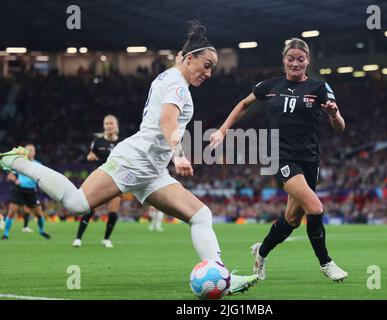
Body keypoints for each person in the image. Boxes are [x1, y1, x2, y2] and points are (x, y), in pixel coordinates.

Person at [0, 20, 257, 294]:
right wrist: (179, 155)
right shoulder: (178, 86)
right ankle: (19, 162)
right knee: (77, 204)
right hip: (134, 161)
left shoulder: (170, 77)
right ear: (189, 58)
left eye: (213, 68)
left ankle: (222, 278)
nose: (209, 72)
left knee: (201, 215)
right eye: (207, 65)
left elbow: (167, 118)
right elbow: (167, 120)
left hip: (154, 171)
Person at [210, 38, 348, 282]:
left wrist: (334, 115)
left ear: (308, 61)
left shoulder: (320, 88)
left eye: (300, 59)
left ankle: (260, 253)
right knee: (315, 208)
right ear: (283, 60)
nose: (295, 63)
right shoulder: (270, 85)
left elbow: (340, 127)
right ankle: (326, 263)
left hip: (309, 160)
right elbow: (243, 104)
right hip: (279, 156)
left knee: (292, 220)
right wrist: (222, 130)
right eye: (291, 58)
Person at [73, 115, 122, 248]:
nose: (109, 126)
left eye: (111, 123)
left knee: (113, 211)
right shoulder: (97, 141)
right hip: (100, 179)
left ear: (116, 125)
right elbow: (90, 154)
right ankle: (78, 238)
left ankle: (106, 239)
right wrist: (90, 156)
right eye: (106, 123)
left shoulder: (122, 143)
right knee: (89, 208)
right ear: (104, 126)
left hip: (116, 181)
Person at [1, 144, 51, 240]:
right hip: (19, 190)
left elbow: (42, 178)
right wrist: (15, 180)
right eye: (28, 150)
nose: (30, 152)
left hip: (31, 191)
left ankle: (42, 231)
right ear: (25, 152)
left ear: (35, 152)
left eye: (32, 150)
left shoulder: (38, 164)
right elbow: (9, 176)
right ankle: (6, 234)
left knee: (39, 213)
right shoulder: (20, 163)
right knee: (12, 212)